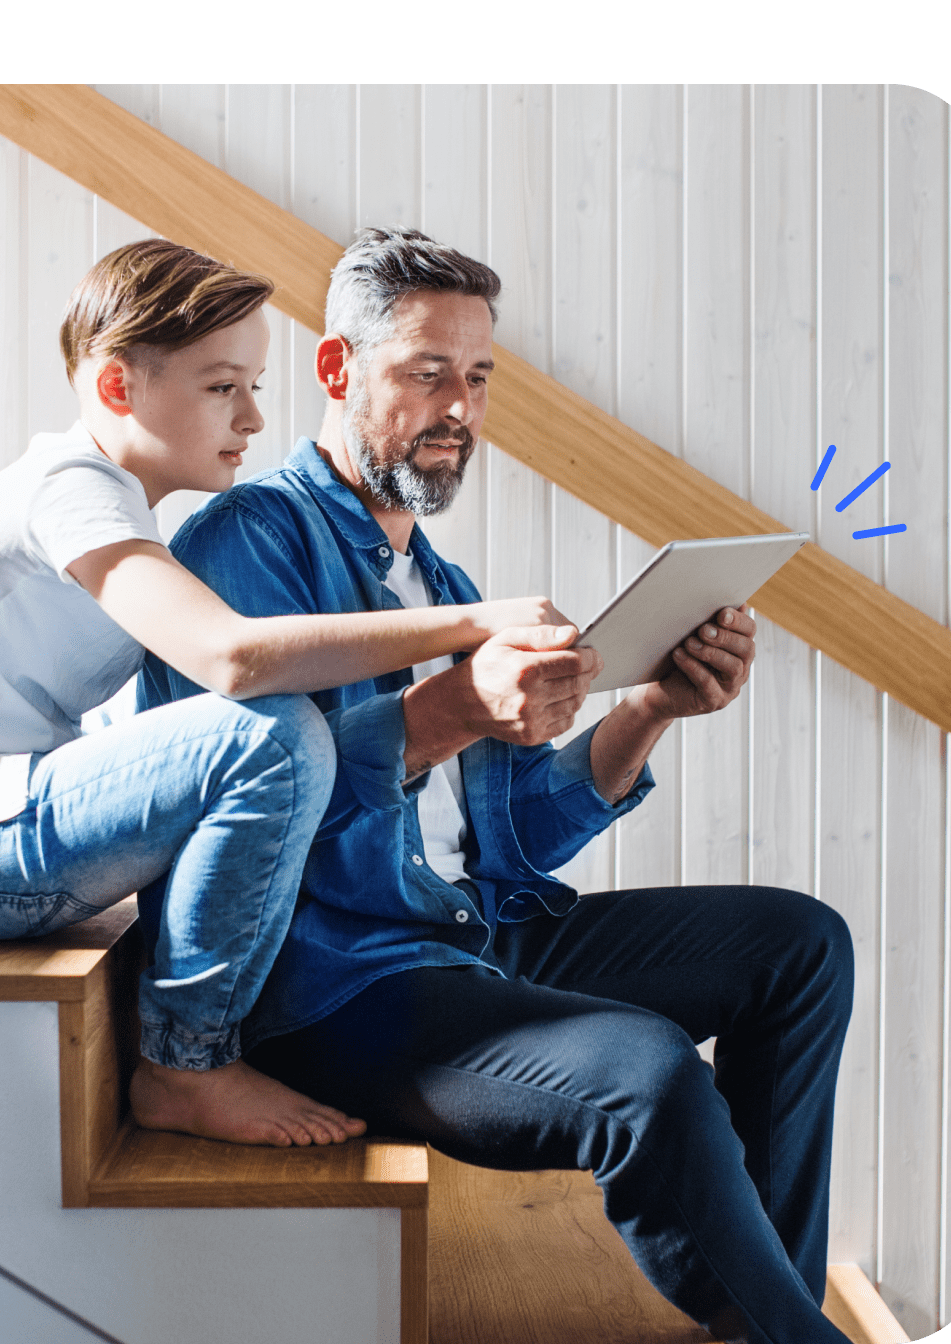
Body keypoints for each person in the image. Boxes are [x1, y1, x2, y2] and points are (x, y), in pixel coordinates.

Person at [140, 227, 855, 1343]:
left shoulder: (441, 581)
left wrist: (648, 710)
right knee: (645, 1073)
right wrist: (454, 711)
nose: (460, 409)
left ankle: (768, 1311)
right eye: (428, 373)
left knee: (798, 946)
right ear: (336, 370)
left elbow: (515, 837)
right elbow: (241, 811)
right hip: (335, 984)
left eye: (477, 378)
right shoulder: (247, 544)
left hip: (469, 938)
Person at [0, 238, 567, 1151]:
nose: (254, 417)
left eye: (253, 385)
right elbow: (232, 657)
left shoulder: (117, 507)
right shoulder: (71, 489)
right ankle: (185, 1063)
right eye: (223, 387)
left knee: (266, 736)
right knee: (271, 734)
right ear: (117, 387)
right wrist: (472, 624)